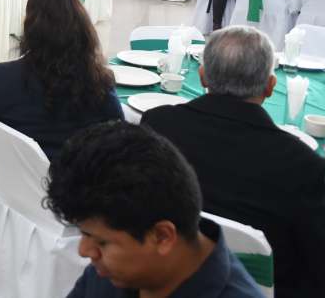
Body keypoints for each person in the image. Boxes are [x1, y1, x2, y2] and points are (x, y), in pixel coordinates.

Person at [142, 27, 325, 297]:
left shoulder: (158, 123)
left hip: (166, 275)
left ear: (202, 77)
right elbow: (315, 255)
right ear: (270, 86)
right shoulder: (300, 161)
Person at [46, 122, 264, 297]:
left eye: (101, 242)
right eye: (84, 234)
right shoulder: (115, 272)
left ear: (162, 236)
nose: (84, 251)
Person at [0, 0, 122, 161]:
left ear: (29, 29)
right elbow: (119, 136)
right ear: (83, 31)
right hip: (79, 175)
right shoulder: (99, 83)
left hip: (17, 174)